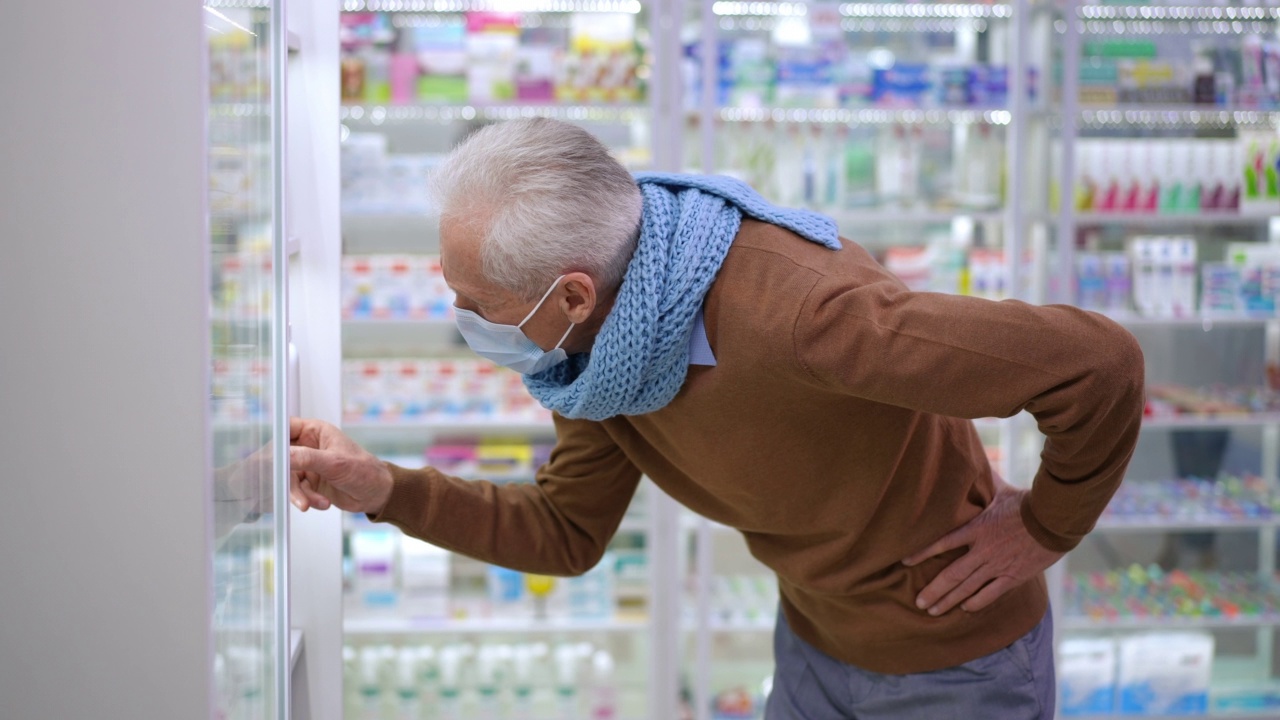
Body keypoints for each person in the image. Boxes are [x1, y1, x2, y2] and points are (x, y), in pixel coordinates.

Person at [289, 118, 1145, 719]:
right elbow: (564, 531)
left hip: (959, 670)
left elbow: (1096, 366)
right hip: (813, 642)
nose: (457, 312)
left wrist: (1045, 528)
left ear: (572, 293)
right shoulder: (594, 361)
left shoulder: (807, 317)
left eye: (471, 298)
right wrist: (382, 489)